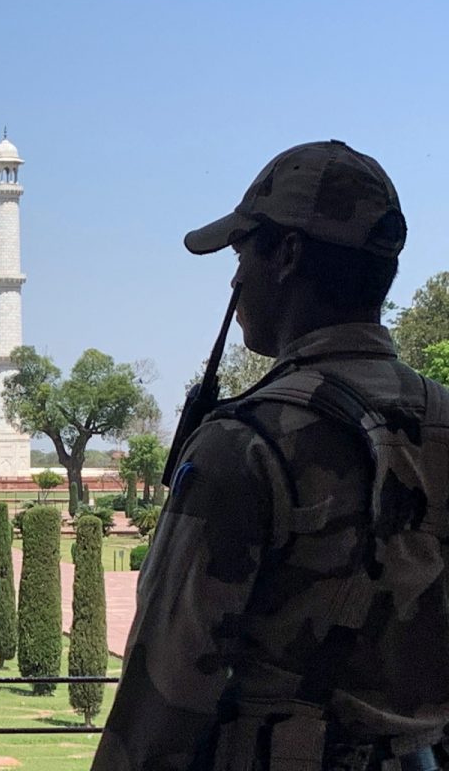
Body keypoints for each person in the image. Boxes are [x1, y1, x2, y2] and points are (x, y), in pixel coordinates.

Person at [93, 141, 449, 770]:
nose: (235, 279)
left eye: (241, 252)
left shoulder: (247, 444)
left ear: (286, 255)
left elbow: (164, 694)